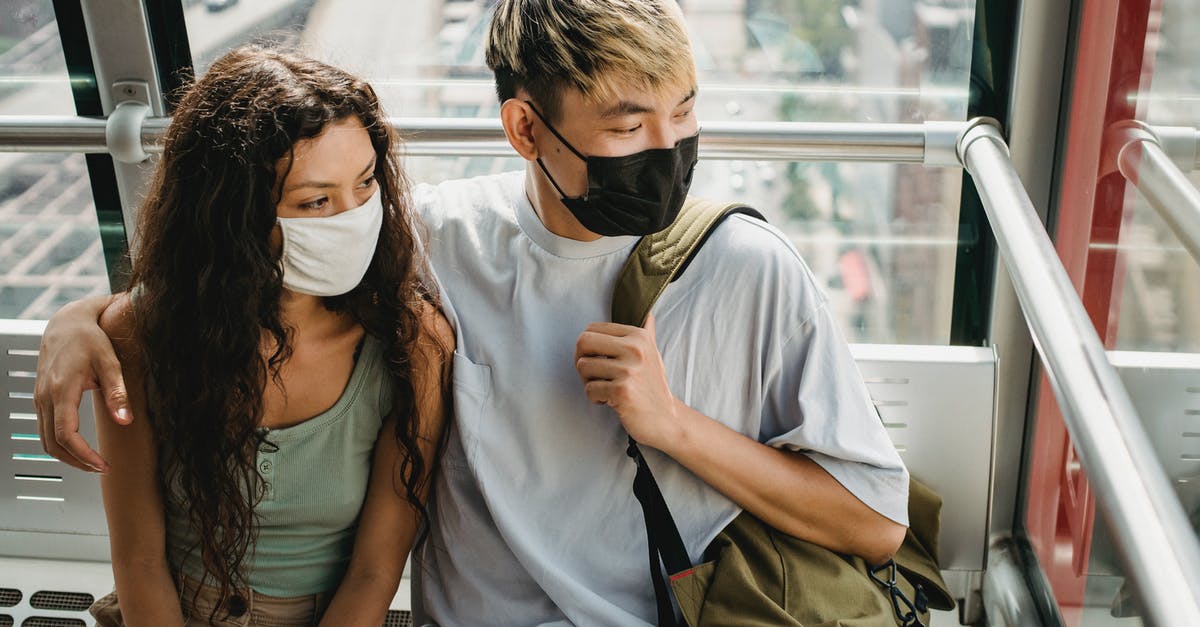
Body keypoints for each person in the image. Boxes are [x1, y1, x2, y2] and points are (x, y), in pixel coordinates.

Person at [37, 1, 908, 624]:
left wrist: (673, 425)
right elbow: (249, 262)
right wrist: (81, 319)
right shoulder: (440, 241)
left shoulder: (750, 271)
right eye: (626, 123)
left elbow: (874, 523)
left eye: (683, 115)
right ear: (526, 130)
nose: (666, 150)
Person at [68, 46, 451, 626]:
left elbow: (376, 571)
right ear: (234, 216)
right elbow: (139, 559)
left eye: (367, 183)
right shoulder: (144, 336)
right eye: (316, 201)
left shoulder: (411, 344)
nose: (354, 216)